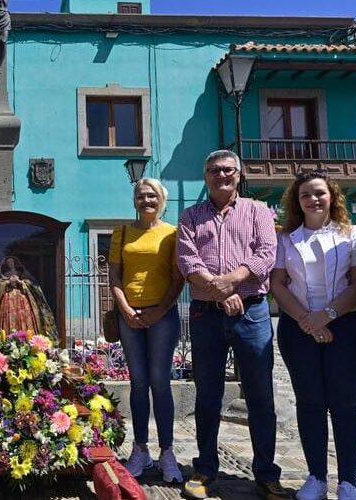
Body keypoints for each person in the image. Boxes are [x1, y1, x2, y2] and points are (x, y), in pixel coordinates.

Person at [177, 150, 289, 500]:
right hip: (206, 314)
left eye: (228, 170)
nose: (221, 175)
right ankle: (205, 468)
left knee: (260, 395)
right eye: (214, 170)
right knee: (207, 394)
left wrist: (231, 282)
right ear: (205, 176)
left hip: (252, 311)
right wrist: (218, 291)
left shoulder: (258, 211)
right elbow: (187, 259)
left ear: (239, 175)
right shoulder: (191, 216)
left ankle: (266, 474)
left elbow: (266, 254)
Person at [269, 171, 356, 500]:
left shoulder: (352, 234)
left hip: (348, 326)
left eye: (319, 193)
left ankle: (348, 483)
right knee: (310, 402)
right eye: (305, 195)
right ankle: (316, 477)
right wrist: (307, 320)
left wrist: (326, 316)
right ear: (297, 202)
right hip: (298, 327)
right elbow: (277, 285)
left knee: (346, 404)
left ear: (332, 196)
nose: (313, 199)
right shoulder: (285, 238)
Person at [108, 177, 186, 483]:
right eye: (141, 196)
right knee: (138, 384)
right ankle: (140, 450)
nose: (146, 201)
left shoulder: (172, 234)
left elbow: (177, 277)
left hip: (162, 316)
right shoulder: (122, 233)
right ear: (134, 201)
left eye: (152, 196)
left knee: (160, 382)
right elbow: (114, 275)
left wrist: (159, 310)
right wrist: (125, 308)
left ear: (161, 200)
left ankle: (167, 452)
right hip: (130, 317)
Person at [0, 255, 57, 339]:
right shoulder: (4, 274)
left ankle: (25, 338)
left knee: (24, 316)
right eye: (9, 263)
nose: (11, 264)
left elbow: (31, 284)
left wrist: (20, 282)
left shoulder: (21, 273)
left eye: (12, 262)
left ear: (16, 264)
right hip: (7, 298)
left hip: (21, 298)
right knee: (6, 316)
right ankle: (6, 339)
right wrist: (7, 283)